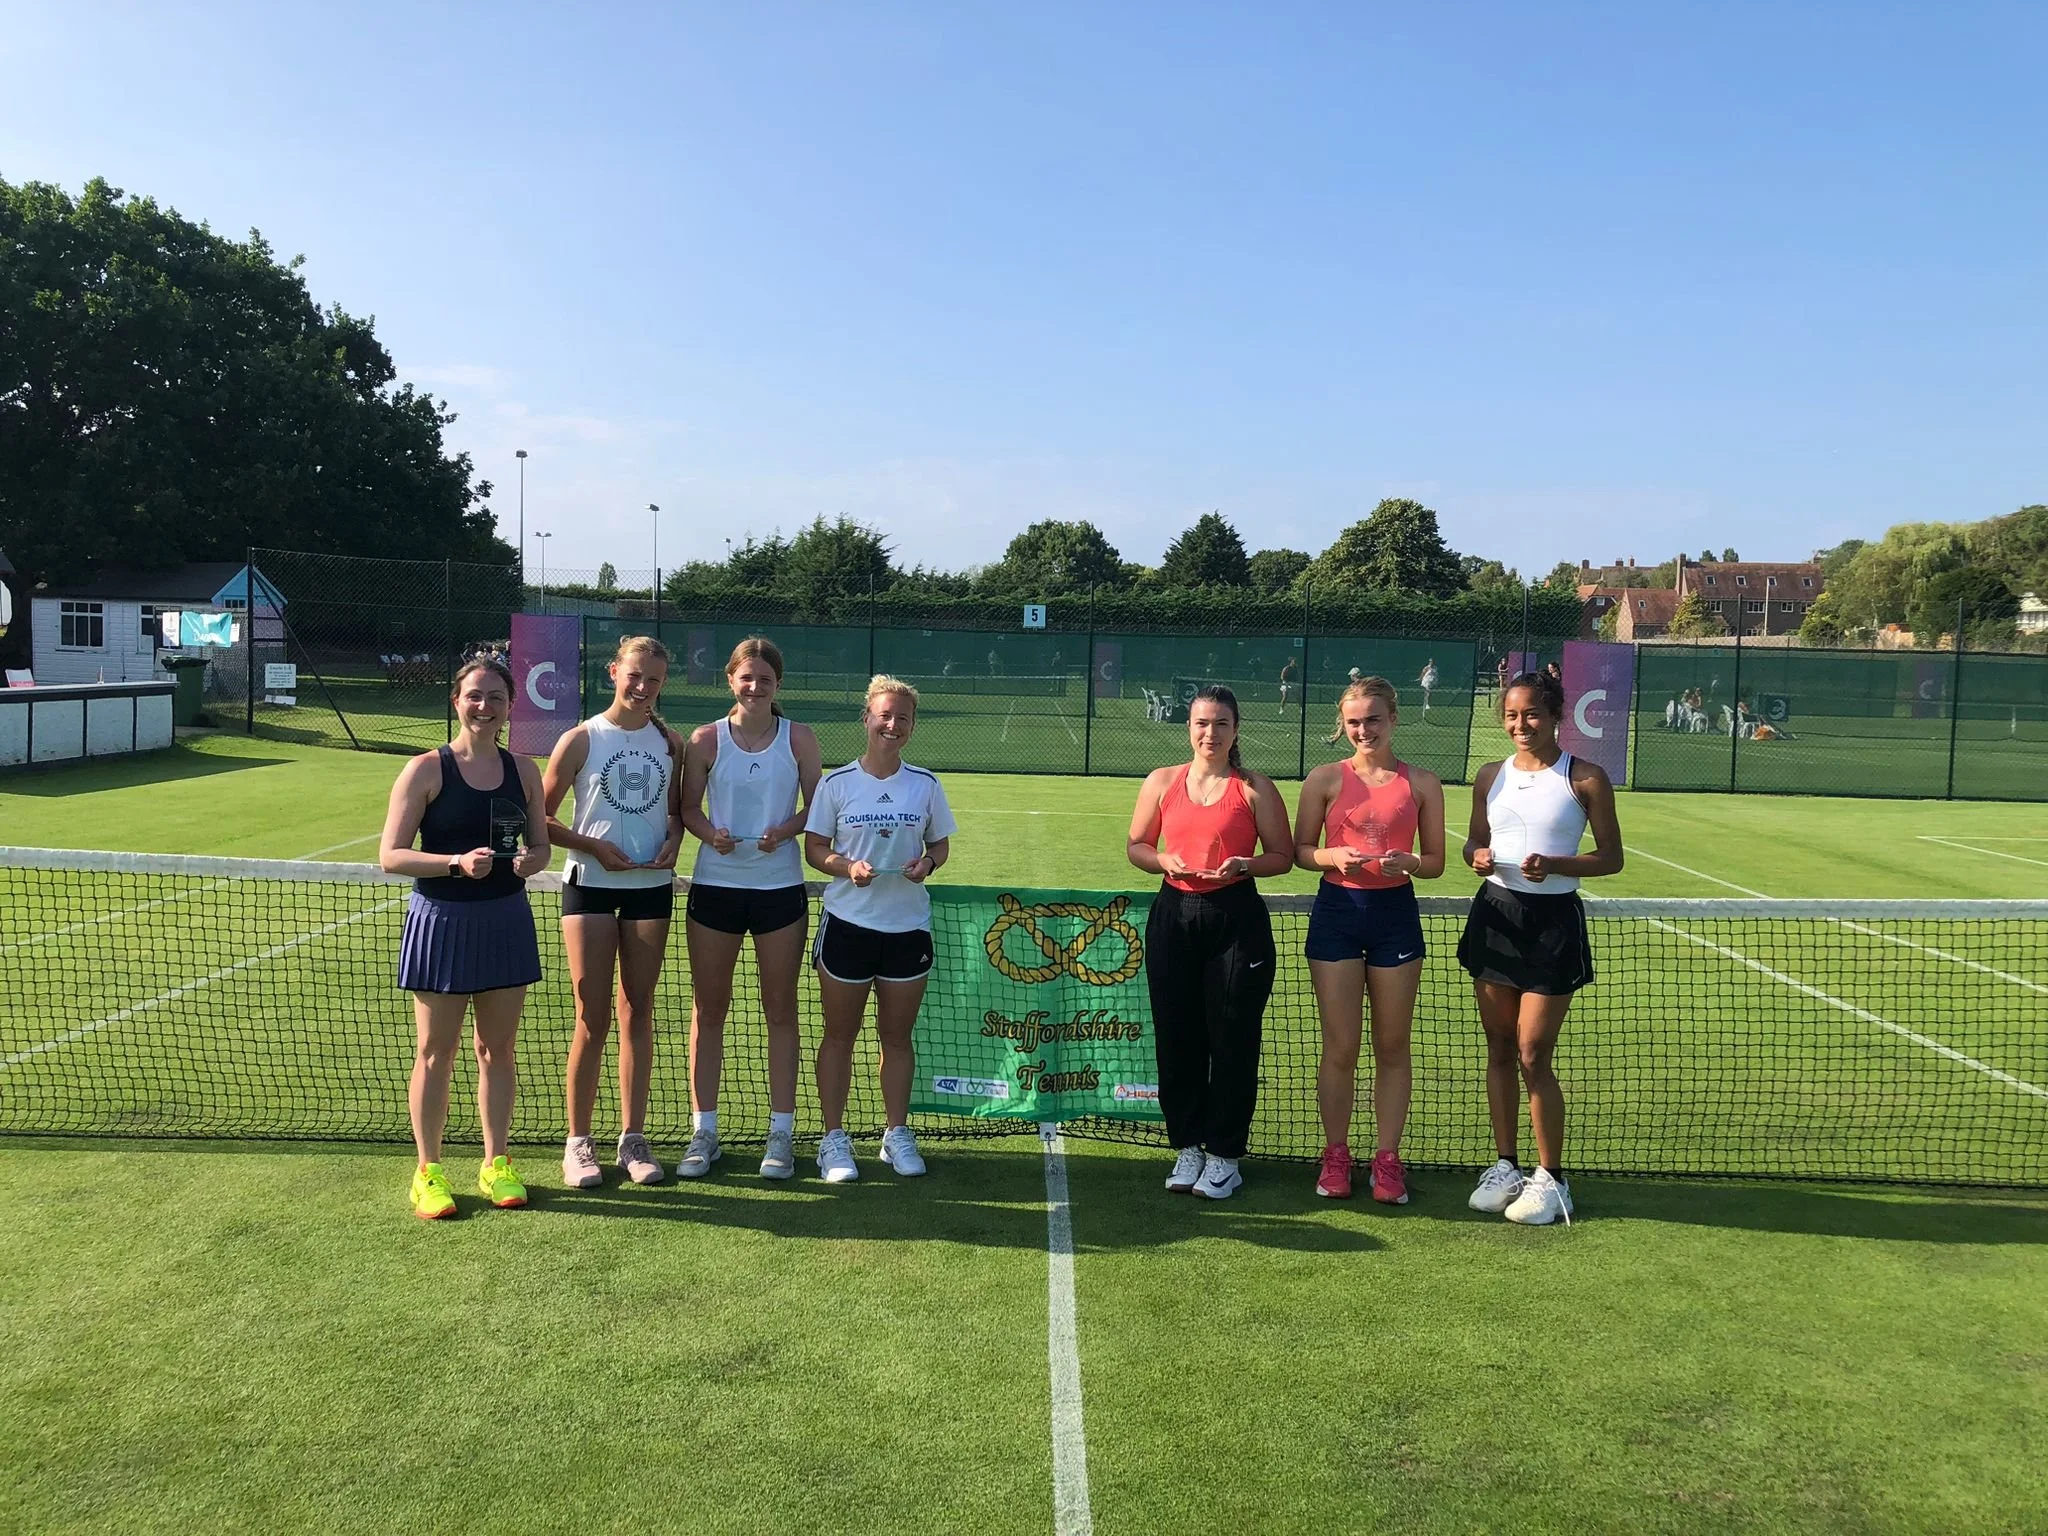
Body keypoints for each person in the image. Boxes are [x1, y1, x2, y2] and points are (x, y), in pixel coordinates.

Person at [380, 656, 550, 1220]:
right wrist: (455, 862)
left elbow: (542, 845)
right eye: (474, 695)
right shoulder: (426, 769)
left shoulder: (524, 771)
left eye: (496, 697)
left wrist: (530, 861)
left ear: (509, 706)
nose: (484, 706)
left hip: (505, 919)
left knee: (497, 1051)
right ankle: (428, 1171)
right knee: (436, 1053)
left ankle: (496, 1163)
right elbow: (391, 856)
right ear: (456, 700)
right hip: (442, 922)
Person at [1458, 670, 1624, 1225]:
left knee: (1533, 1054)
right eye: (1511, 715)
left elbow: (1609, 858)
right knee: (1500, 1049)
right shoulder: (1489, 775)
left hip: (1553, 923)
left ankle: (1552, 1181)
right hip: (1495, 916)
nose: (1520, 725)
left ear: (1555, 716)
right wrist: (1476, 855)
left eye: (1530, 714)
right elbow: (1474, 842)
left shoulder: (1587, 778)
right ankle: (1506, 1166)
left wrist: (1554, 865)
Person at [1127, 685, 1294, 1200]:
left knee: (1232, 1038)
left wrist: (1245, 864)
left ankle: (1224, 1157)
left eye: (1221, 724)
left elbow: (1283, 856)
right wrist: (1162, 861)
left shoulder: (1255, 788)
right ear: (1189, 727)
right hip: (1173, 913)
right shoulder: (1161, 781)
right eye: (1201, 723)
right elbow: (1137, 846)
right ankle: (1189, 1147)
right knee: (1177, 1036)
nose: (1210, 733)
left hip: (1235, 919)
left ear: (1236, 730)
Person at [1293, 678, 1446, 1203]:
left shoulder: (1422, 783)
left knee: (1392, 1045)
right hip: (1337, 912)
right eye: (1354, 721)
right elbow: (1300, 849)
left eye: (1373, 719)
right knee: (1340, 1047)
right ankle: (1336, 1155)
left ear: (1393, 719)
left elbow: (1435, 864)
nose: (1364, 730)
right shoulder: (1324, 779)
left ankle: (1387, 1160)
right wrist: (1332, 857)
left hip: (1394, 916)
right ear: (1344, 724)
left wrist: (1408, 864)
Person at [543, 635, 683, 1190]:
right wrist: (594, 847)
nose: (642, 686)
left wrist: (674, 839)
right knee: (592, 1016)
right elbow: (542, 819)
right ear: (613, 673)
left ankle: (633, 1139)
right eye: (634, 675)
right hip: (591, 887)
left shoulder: (671, 743)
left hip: (651, 888)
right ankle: (578, 1142)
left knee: (638, 1011)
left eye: (653, 679)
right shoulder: (580, 739)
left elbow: (676, 813)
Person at [680, 637, 823, 1181]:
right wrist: (709, 834)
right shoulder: (705, 739)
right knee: (708, 1011)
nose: (755, 687)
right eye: (746, 678)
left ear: (777, 685)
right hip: (715, 888)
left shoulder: (800, 738)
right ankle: (704, 1133)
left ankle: (781, 1135)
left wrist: (784, 830)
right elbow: (689, 808)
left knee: (781, 1011)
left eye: (765, 679)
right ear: (730, 681)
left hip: (779, 890)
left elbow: (818, 806)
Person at [804, 675, 956, 1183]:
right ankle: (833, 1139)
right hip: (847, 926)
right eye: (885, 716)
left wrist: (928, 865)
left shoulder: (926, 784)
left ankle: (896, 1134)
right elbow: (815, 848)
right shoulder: (836, 783)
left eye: (903, 718)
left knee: (897, 1037)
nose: (893, 725)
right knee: (839, 1036)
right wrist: (845, 866)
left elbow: (940, 846)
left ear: (912, 726)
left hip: (907, 929)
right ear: (867, 718)